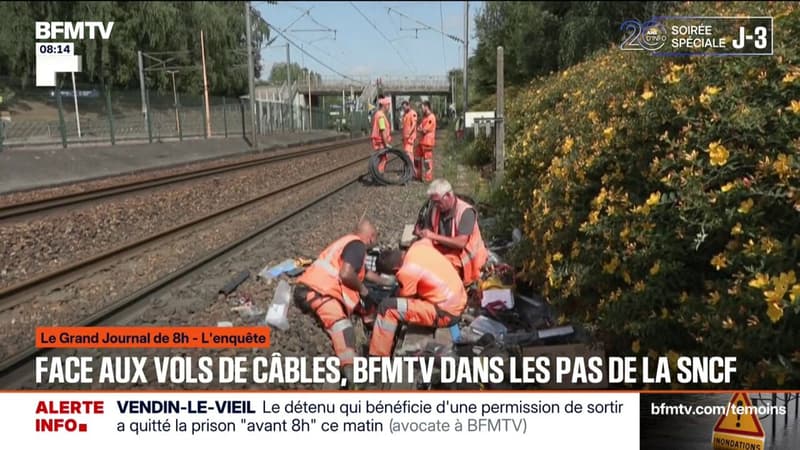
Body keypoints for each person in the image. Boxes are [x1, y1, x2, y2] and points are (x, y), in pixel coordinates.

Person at [295, 219, 388, 383]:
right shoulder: (358, 245)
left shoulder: (348, 242)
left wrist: (386, 282)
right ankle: (352, 375)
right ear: (371, 237)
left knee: (365, 306)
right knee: (343, 327)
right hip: (317, 292)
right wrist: (364, 290)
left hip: (315, 288)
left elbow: (363, 274)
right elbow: (346, 274)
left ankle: (370, 328)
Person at [368, 238, 467, 357]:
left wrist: (395, 293)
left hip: (446, 314)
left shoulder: (406, 271)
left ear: (395, 270)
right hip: (459, 298)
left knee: (388, 308)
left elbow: (405, 299)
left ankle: (378, 357)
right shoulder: (419, 246)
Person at [415, 179, 488, 287]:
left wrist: (432, 236)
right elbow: (428, 232)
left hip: (466, 259)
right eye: (434, 202)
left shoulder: (466, 212)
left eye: (438, 201)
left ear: (448, 195)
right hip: (446, 251)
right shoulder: (435, 208)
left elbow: (461, 243)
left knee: (439, 273)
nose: (436, 205)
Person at [414, 101, 437, 182]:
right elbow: (419, 128)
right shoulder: (425, 118)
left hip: (427, 142)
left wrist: (421, 129)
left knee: (427, 161)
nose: (421, 109)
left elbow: (423, 130)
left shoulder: (431, 117)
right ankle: (418, 176)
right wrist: (420, 129)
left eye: (422, 107)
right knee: (417, 159)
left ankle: (428, 178)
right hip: (421, 142)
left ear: (427, 106)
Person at [370, 96, 392, 173]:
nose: (389, 107)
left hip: (378, 141)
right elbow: (382, 130)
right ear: (384, 105)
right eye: (388, 105)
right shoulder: (381, 116)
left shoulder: (377, 114)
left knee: (381, 158)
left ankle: (377, 176)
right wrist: (386, 143)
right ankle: (379, 177)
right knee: (383, 159)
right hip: (380, 142)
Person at [401, 100, 418, 175]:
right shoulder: (405, 114)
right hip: (406, 138)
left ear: (408, 105)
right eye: (403, 108)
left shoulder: (413, 113)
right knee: (408, 153)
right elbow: (405, 126)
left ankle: (413, 170)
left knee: (408, 153)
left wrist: (409, 133)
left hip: (410, 137)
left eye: (405, 107)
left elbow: (413, 125)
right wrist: (404, 136)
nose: (404, 109)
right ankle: (411, 170)